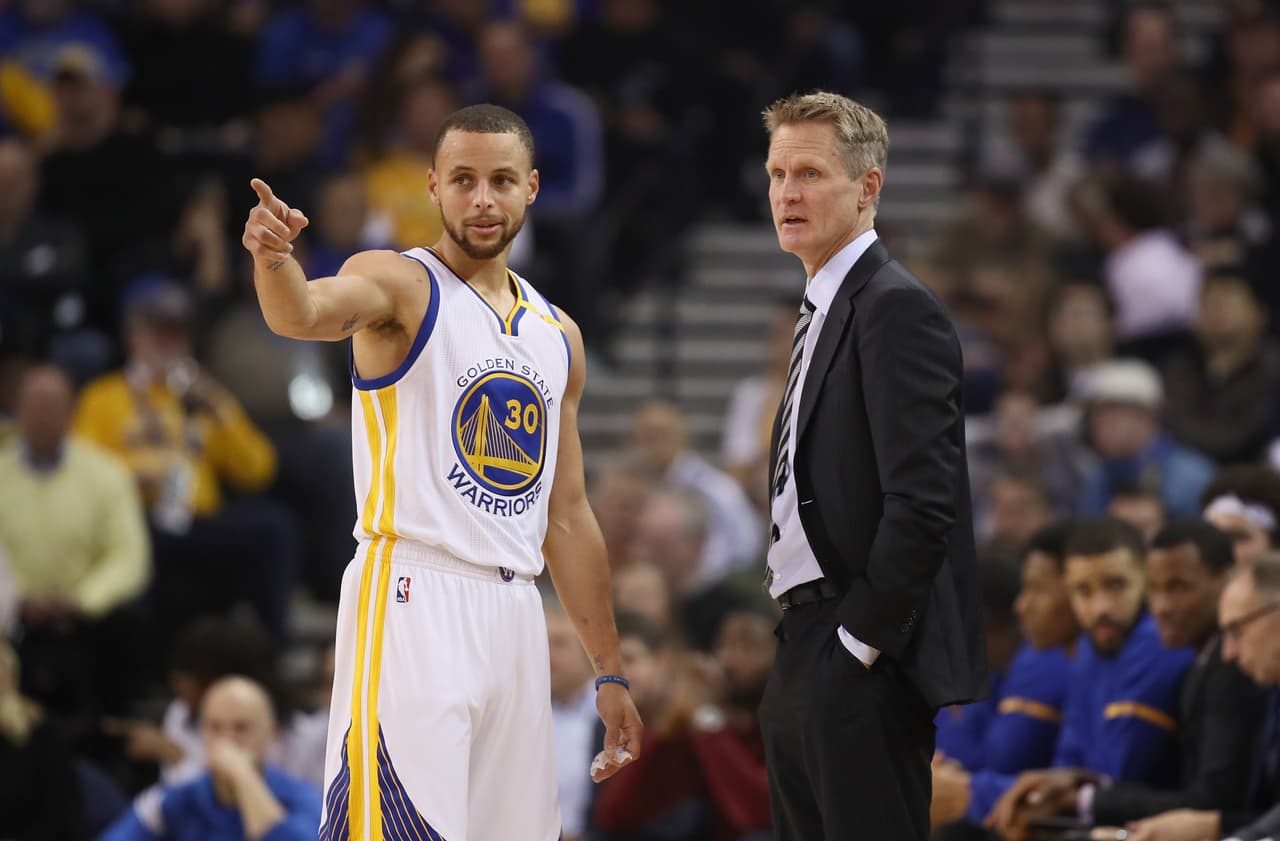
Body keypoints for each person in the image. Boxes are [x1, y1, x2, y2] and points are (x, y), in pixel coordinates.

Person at [240, 103, 641, 841]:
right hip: (413, 592)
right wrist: (273, 261)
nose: (481, 198)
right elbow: (305, 312)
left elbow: (569, 516)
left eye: (500, 180)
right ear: (432, 187)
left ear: (532, 188)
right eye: (463, 179)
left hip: (517, 610)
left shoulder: (560, 336)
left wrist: (607, 669)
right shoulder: (397, 283)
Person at [754, 90, 986, 841]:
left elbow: (922, 501)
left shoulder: (894, 307)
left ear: (868, 186)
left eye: (810, 173)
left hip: (854, 650)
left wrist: (858, 643)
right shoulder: (825, 306)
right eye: (777, 173)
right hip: (804, 640)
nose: (788, 192)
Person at [98, 676, 321, 841]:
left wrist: (243, 777)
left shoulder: (302, 798)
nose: (227, 739)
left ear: (271, 734)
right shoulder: (179, 797)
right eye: (215, 728)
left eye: (241, 728)